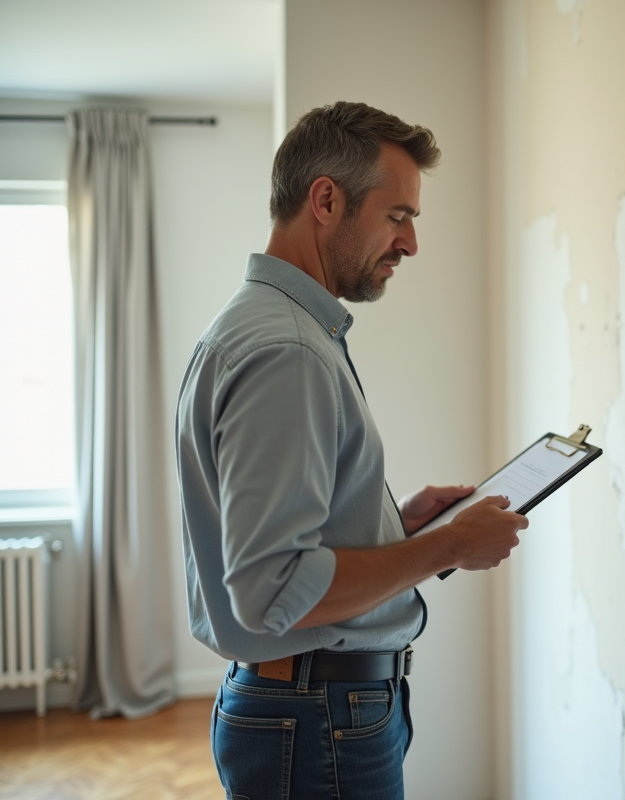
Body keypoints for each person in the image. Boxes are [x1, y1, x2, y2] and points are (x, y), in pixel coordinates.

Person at [175, 101, 527, 800]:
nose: (410, 244)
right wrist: (450, 545)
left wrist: (395, 525)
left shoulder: (265, 327)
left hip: (310, 711)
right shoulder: (288, 350)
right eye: (397, 216)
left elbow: (278, 549)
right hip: (318, 720)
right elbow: (274, 588)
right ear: (326, 200)